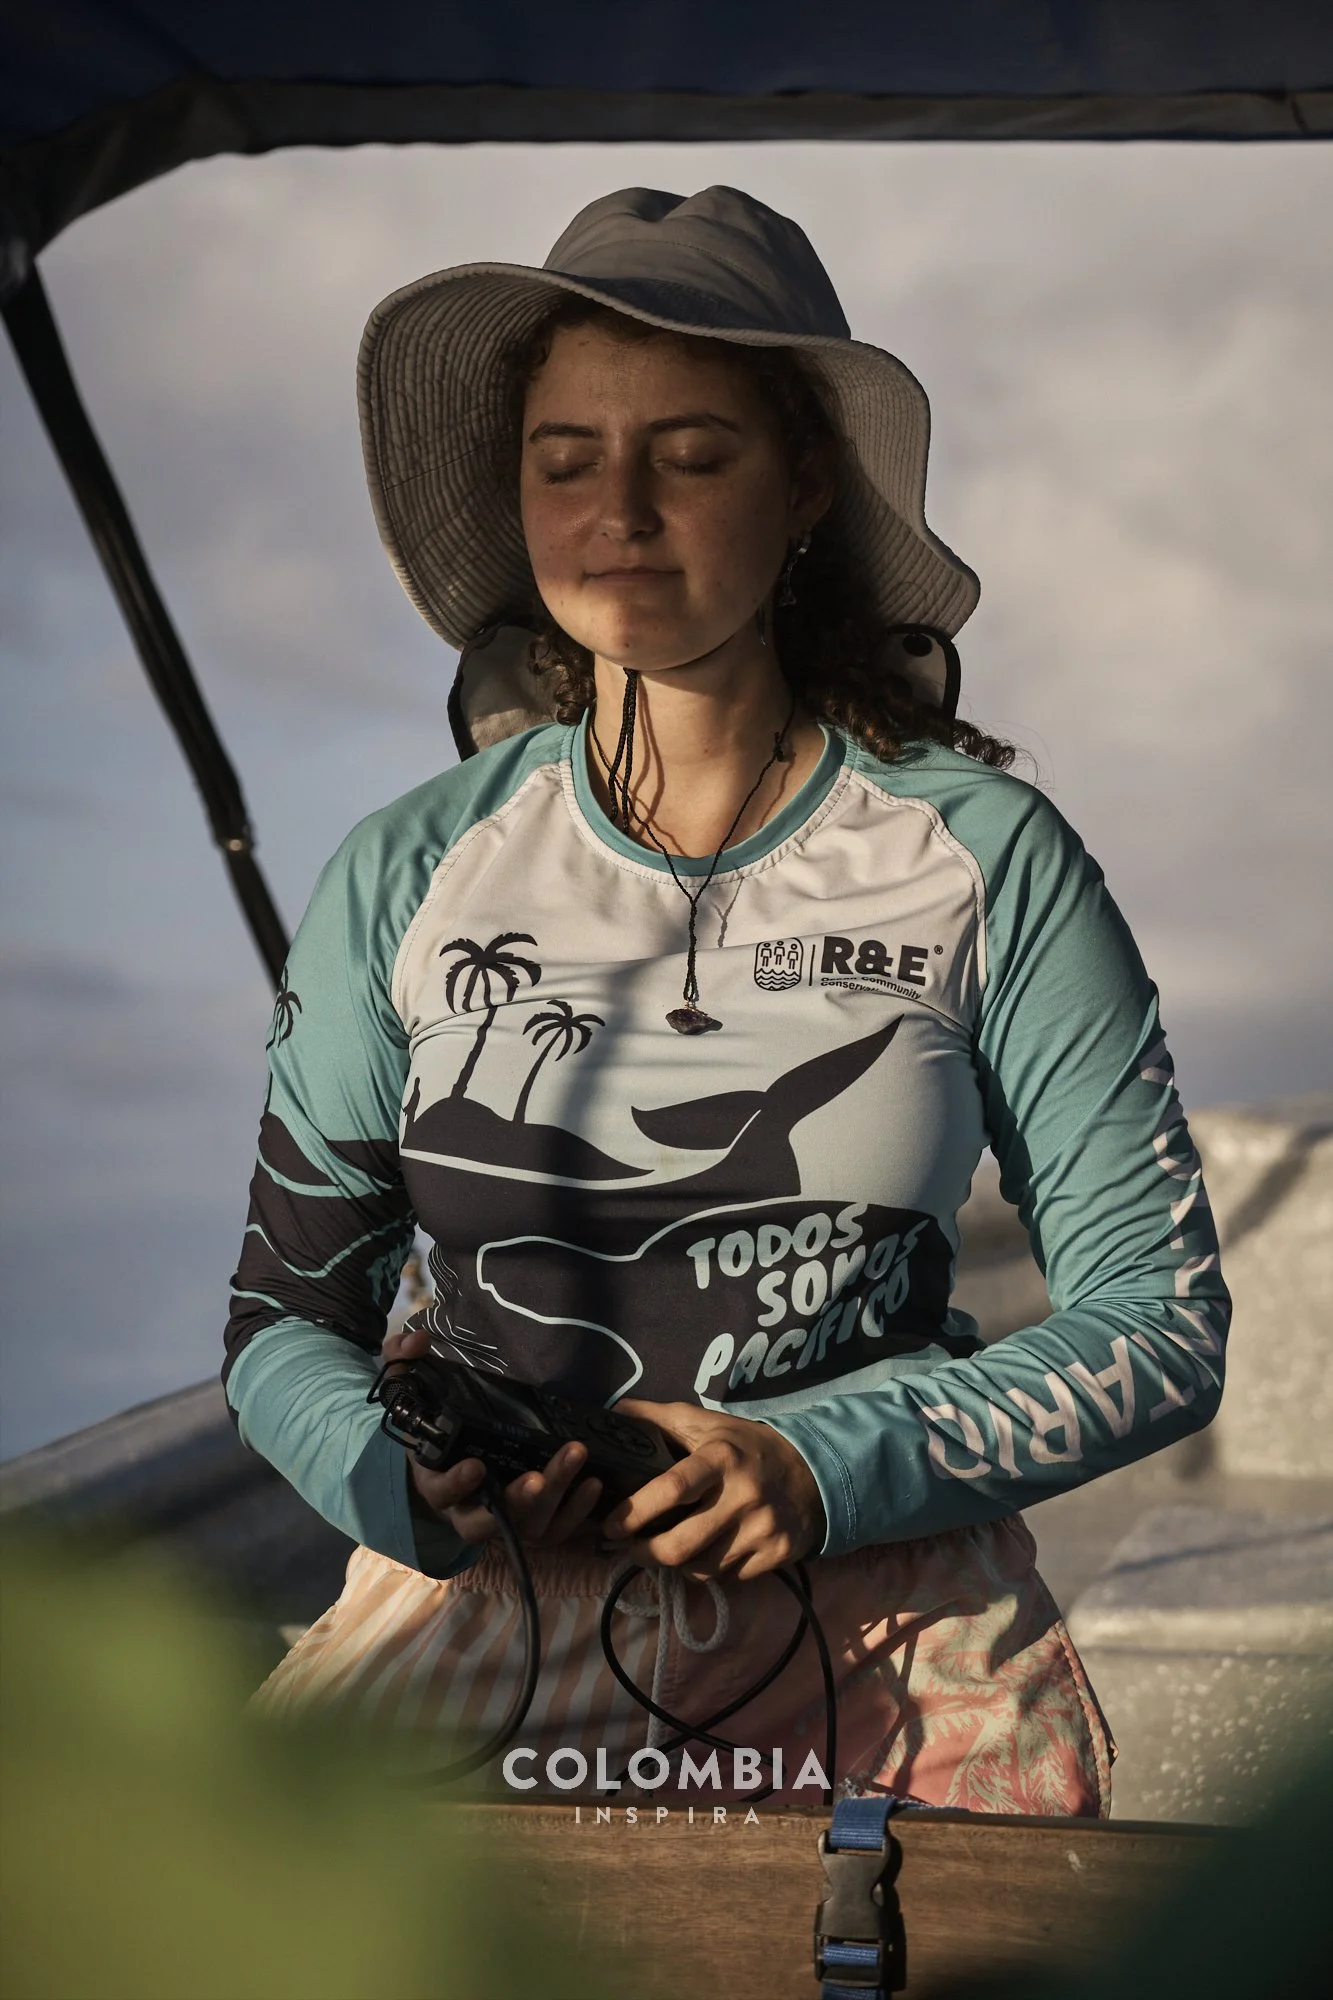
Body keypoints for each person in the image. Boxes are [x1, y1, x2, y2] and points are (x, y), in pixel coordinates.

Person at [224, 186, 1228, 1815]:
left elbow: (1162, 1326)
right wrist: (406, 1486)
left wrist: (821, 1466)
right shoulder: (408, 870)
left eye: (691, 454)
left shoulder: (984, 858)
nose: (620, 504)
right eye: (566, 460)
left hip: (889, 1617)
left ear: (808, 483)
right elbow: (285, 1328)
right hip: (485, 1607)